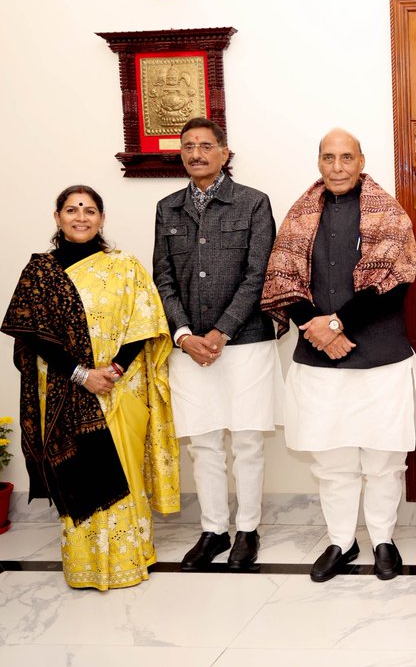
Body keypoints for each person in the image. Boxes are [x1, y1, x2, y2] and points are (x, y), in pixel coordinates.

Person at [261, 128, 416, 582]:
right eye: (329, 157)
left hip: (381, 359)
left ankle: (383, 540)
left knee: (383, 460)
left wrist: (336, 324)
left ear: (361, 161)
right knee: (332, 461)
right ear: (319, 162)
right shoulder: (299, 216)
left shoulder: (390, 214)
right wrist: (318, 328)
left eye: (346, 157)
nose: (337, 166)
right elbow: (283, 281)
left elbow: (396, 283)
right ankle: (341, 542)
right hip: (320, 361)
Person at [3, 186, 178, 590]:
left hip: (120, 387)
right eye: (71, 209)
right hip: (64, 386)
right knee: (79, 473)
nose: (80, 217)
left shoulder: (125, 266)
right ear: (57, 217)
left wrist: (112, 371)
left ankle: (131, 560)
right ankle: (85, 565)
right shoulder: (40, 272)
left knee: (125, 472)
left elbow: (146, 323)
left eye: (89, 210)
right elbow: (34, 335)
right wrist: (82, 374)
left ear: (102, 218)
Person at [153, 117, 282, 572]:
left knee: (247, 440)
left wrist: (221, 330)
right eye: (188, 146)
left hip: (245, 342)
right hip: (189, 348)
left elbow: (258, 275)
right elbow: (163, 279)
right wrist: (185, 334)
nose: (196, 153)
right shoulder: (167, 208)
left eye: (206, 145)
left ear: (224, 153)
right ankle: (213, 530)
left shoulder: (253, 202)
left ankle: (247, 530)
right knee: (203, 443)